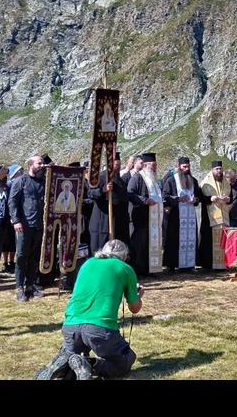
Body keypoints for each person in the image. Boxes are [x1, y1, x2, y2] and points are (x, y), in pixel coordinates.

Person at [37, 240, 142, 380]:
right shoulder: (124, 268)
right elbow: (135, 308)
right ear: (123, 256)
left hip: (71, 325)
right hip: (99, 328)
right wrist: (138, 295)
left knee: (71, 357)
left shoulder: (87, 263)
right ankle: (89, 364)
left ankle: (65, 367)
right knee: (125, 360)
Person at [161, 157, 210, 271]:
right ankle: (172, 265)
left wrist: (195, 200)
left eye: (188, 167)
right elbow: (165, 196)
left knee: (191, 239)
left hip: (190, 217)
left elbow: (199, 196)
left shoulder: (193, 180)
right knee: (174, 240)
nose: (187, 169)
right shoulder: (171, 180)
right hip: (176, 216)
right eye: (184, 167)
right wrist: (178, 199)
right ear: (178, 166)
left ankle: (188, 264)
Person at [10, 156, 46, 303]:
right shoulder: (21, 181)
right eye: (39, 163)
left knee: (34, 257)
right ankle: (19, 288)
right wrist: (16, 220)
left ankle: (30, 286)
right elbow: (12, 201)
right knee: (21, 256)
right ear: (31, 165)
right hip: (24, 226)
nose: (42, 166)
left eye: (42, 163)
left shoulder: (45, 182)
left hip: (39, 225)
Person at [126, 153, 163, 276]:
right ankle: (138, 270)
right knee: (139, 244)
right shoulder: (137, 178)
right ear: (146, 165)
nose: (155, 167)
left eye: (155, 165)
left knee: (149, 244)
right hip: (140, 217)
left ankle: (150, 269)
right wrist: (145, 201)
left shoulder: (153, 179)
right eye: (153, 165)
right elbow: (130, 193)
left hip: (151, 219)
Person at [200, 161, 231, 270]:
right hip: (211, 218)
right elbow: (201, 198)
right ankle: (209, 265)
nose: (219, 171)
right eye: (217, 169)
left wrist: (228, 199)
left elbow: (229, 196)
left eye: (220, 169)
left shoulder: (225, 182)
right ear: (212, 170)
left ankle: (222, 264)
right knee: (209, 242)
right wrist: (210, 199)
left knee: (223, 240)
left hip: (223, 217)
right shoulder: (205, 182)